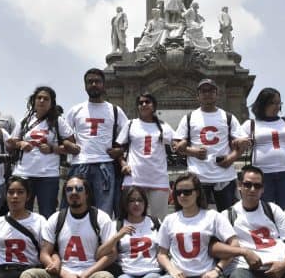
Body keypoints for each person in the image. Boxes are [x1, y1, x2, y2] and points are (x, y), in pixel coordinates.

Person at [174, 79, 250, 211]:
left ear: (217, 94)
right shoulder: (189, 117)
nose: (207, 94)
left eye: (211, 91)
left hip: (224, 176)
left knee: (227, 215)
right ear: (197, 96)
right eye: (203, 91)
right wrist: (193, 152)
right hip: (198, 176)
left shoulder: (228, 117)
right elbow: (176, 144)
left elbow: (243, 143)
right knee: (197, 214)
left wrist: (230, 159)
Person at [64, 68, 128, 215]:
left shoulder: (115, 110)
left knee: (103, 212)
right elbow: (64, 136)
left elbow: (129, 134)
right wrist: (68, 145)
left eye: (97, 81)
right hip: (79, 164)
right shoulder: (75, 110)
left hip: (105, 165)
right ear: (85, 86)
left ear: (103, 85)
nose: (93, 84)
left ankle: (103, 239)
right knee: (76, 210)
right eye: (90, 82)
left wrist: (121, 150)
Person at [9, 86, 76, 218]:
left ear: (51, 103)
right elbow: (11, 142)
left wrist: (52, 148)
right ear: (33, 101)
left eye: (46, 98)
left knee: (47, 215)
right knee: (21, 214)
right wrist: (20, 143)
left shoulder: (58, 121)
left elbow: (73, 146)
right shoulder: (25, 120)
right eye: (39, 98)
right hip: (23, 175)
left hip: (48, 176)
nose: (42, 100)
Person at [242, 88, 285, 210]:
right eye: (273, 103)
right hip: (262, 173)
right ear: (263, 103)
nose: (277, 106)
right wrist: (241, 142)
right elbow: (237, 142)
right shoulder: (250, 124)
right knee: (265, 208)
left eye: (279, 103)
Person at [117, 93, 175, 220]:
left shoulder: (164, 126)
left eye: (147, 102)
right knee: (131, 218)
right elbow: (119, 149)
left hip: (158, 179)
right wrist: (123, 164)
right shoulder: (130, 124)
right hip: (134, 179)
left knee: (159, 220)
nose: (143, 105)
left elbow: (177, 143)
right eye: (140, 103)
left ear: (154, 106)